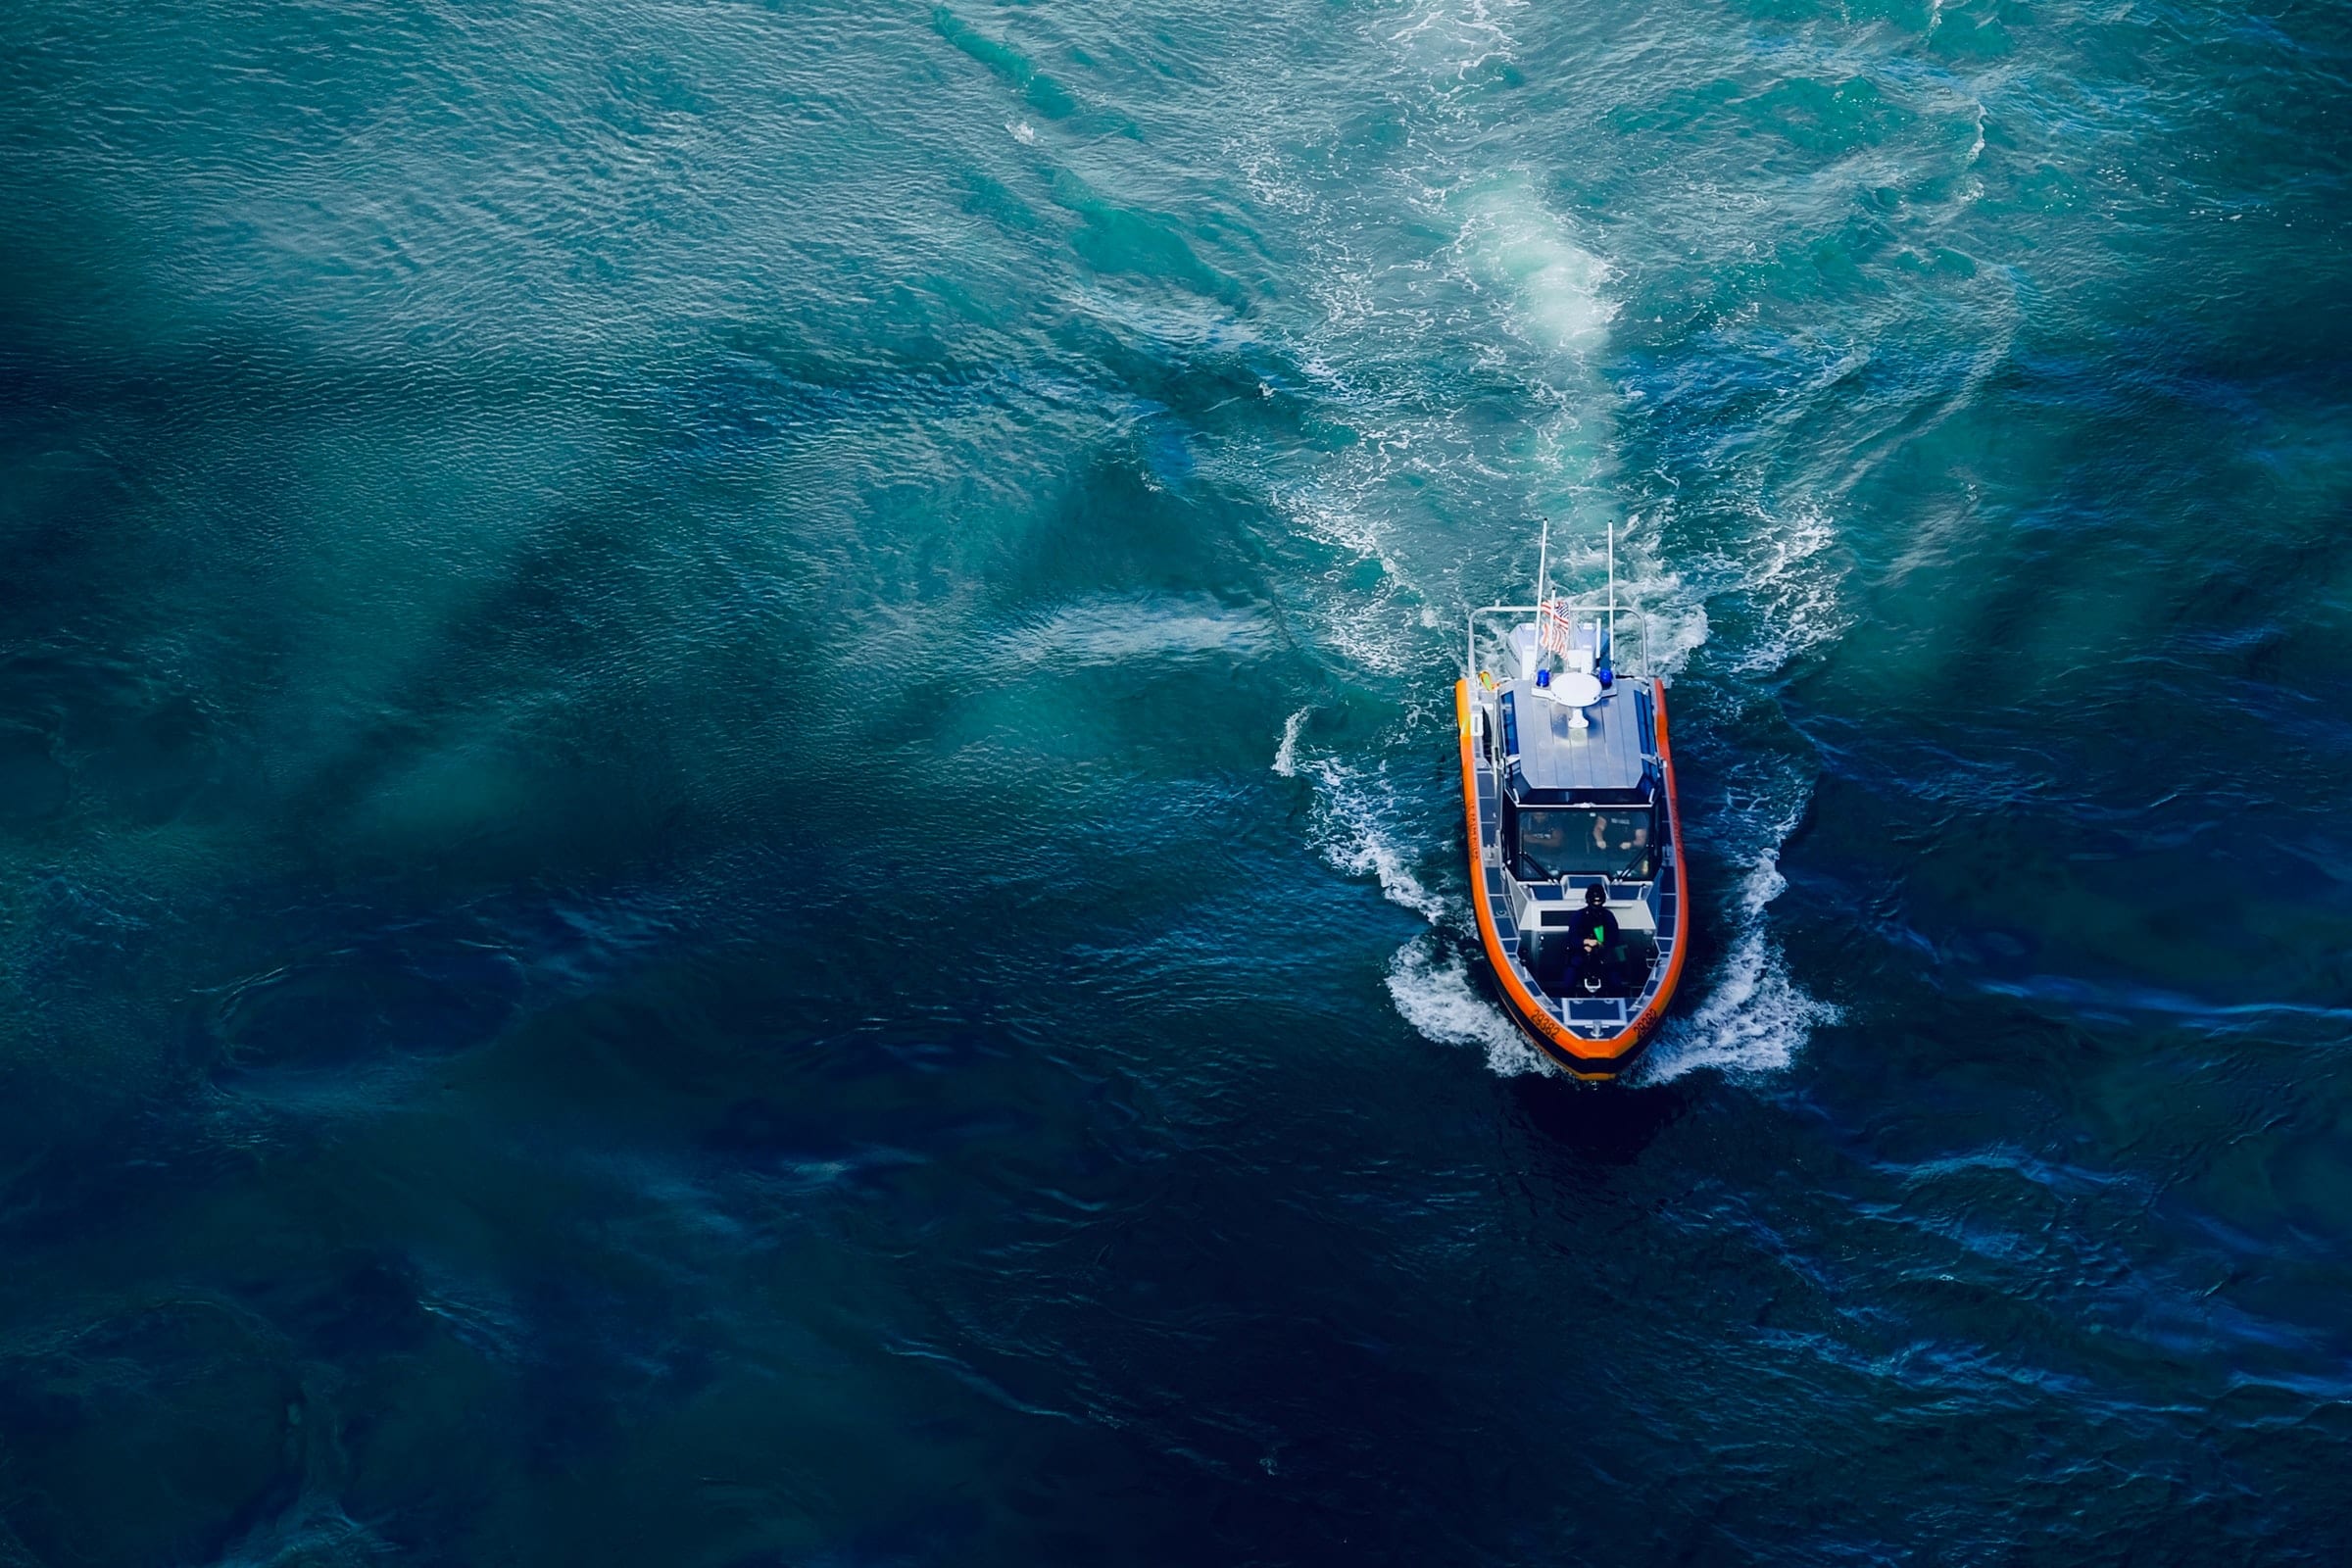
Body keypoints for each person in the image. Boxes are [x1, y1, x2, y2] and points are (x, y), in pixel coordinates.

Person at [1562, 883, 1619, 995]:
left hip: (1603, 954)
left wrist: (1600, 945)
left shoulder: (1608, 916)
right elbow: (1572, 938)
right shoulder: (1579, 916)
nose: (1597, 903)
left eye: (1599, 901)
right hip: (1580, 953)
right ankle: (1566, 1000)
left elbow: (1614, 938)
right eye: (1594, 901)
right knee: (1568, 981)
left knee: (1615, 982)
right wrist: (1585, 943)